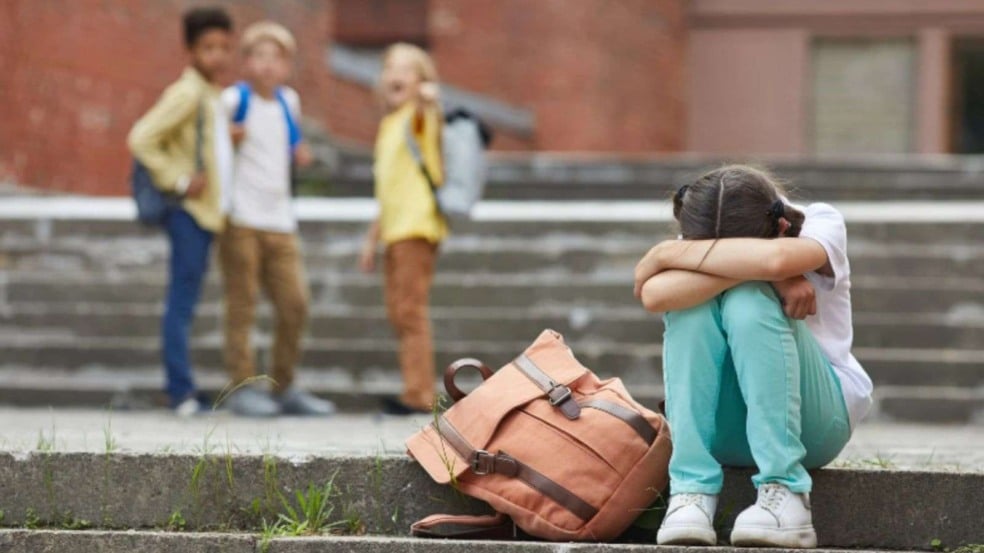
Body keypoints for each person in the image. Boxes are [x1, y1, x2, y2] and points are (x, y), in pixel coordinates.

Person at [634, 165, 873, 548]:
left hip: (815, 423)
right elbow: (655, 296)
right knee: (688, 308)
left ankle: (787, 491)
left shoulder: (820, 222)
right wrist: (766, 271)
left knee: (748, 299)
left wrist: (669, 254)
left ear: (779, 229)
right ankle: (691, 492)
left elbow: (777, 261)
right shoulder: (708, 228)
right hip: (727, 430)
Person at [216, 21, 333, 417]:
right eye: (259, 56)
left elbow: (289, 141)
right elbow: (213, 153)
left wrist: (300, 153)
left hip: (281, 220)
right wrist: (226, 141)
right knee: (242, 304)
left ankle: (284, 385)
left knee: (295, 303)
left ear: (287, 65)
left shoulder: (289, 101)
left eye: (276, 58)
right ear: (246, 61)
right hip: (241, 218)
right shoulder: (233, 100)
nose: (267, 65)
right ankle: (243, 386)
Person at [128, 6, 235, 416]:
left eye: (225, 47)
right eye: (209, 47)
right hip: (188, 213)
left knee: (186, 299)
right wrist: (178, 179)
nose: (218, 56)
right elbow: (141, 138)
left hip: (207, 214)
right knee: (182, 301)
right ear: (190, 50)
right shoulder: (188, 91)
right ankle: (180, 391)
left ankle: (183, 387)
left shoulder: (210, 93)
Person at [359, 43, 445, 416]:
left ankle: (419, 394)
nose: (396, 75)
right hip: (394, 230)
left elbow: (430, 113)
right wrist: (371, 240)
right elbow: (387, 189)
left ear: (420, 80)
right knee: (399, 312)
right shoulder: (388, 124)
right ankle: (415, 387)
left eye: (406, 69)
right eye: (390, 67)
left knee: (410, 311)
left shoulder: (417, 117)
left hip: (416, 226)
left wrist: (428, 98)